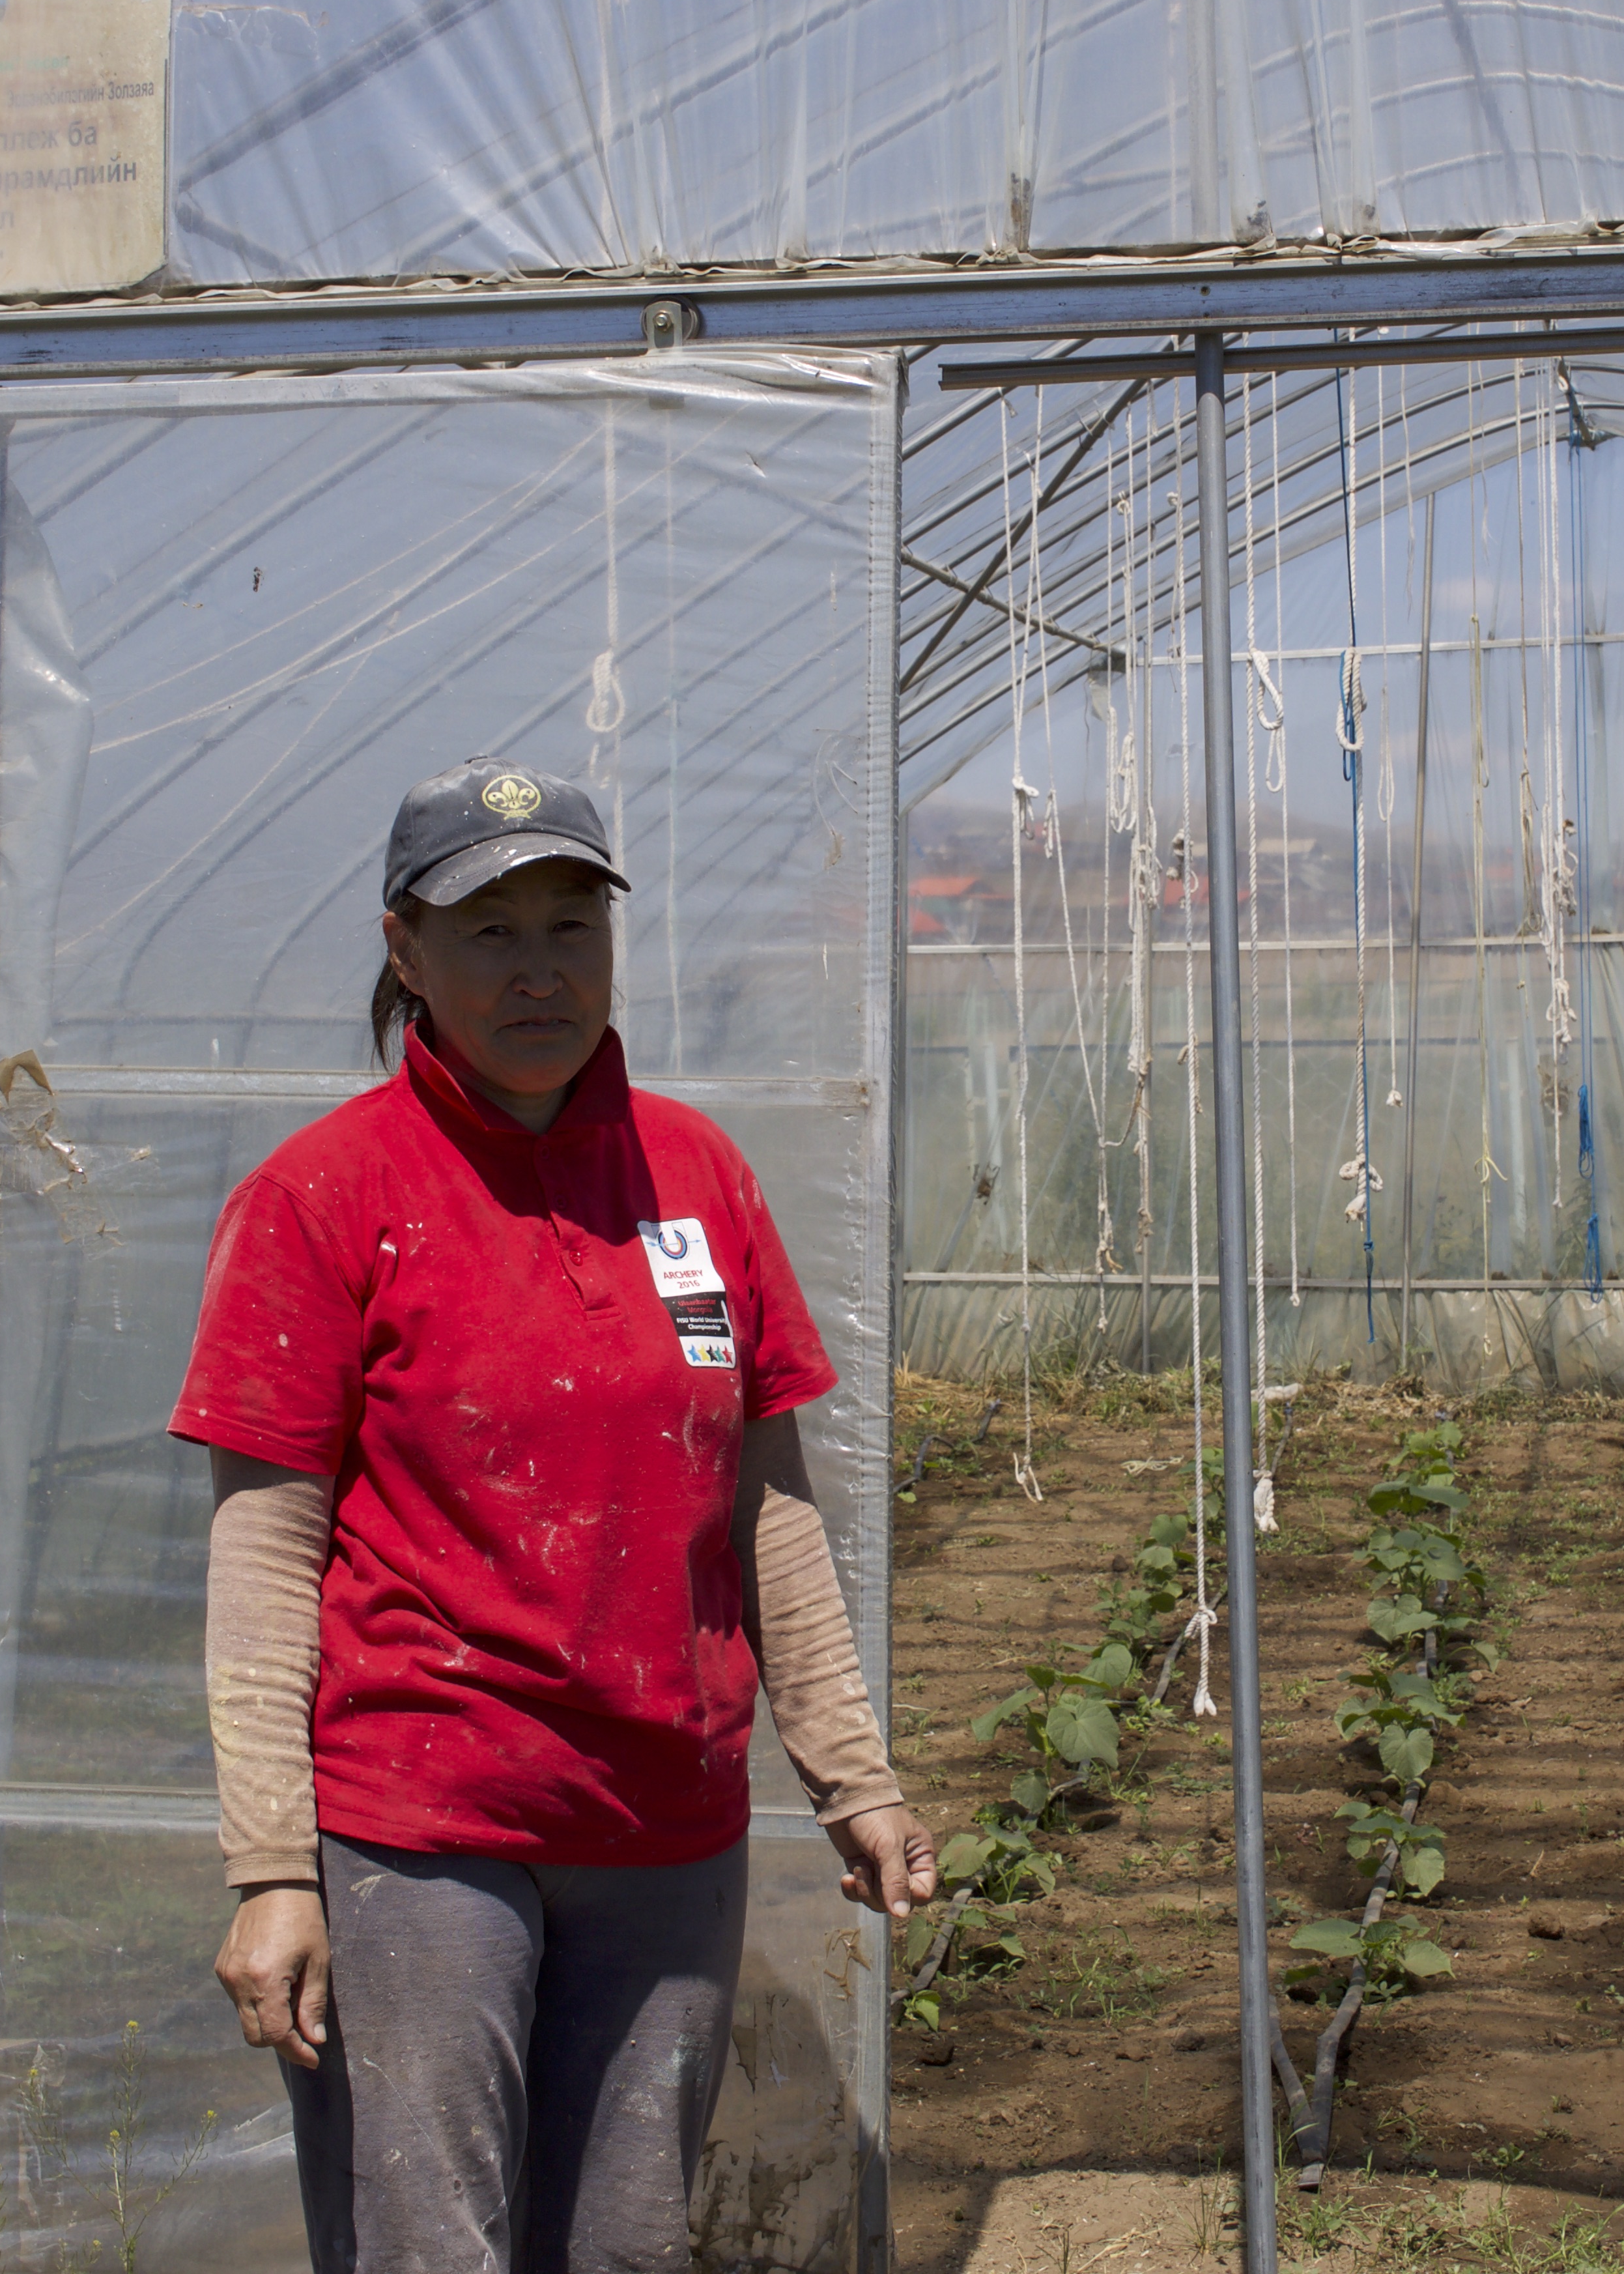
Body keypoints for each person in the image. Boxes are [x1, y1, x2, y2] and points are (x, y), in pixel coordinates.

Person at [170, 755, 935, 2274]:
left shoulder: (697, 1175)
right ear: (406, 951)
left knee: (631, 2245)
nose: (540, 971)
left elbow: (768, 1505)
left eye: (571, 925)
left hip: (665, 1816)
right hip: (427, 1819)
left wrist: (853, 1772)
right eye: (491, 931)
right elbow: (262, 1557)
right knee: (429, 2243)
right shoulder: (325, 1195)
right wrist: (272, 1867)